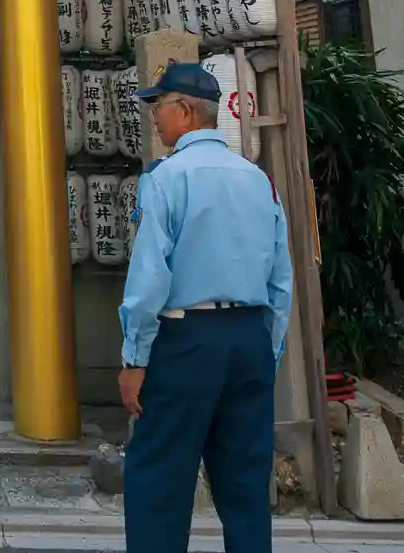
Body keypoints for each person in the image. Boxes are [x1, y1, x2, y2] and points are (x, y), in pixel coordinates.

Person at [118, 61, 293, 553]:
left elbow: (149, 278)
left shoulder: (167, 178)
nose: (153, 117)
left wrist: (135, 358)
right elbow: (280, 279)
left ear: (185, 111)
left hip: (186, 340)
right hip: (249, 339)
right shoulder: (258, 180)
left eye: (158, 106)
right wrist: (269, 350)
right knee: (246, 484)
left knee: (159, 479)